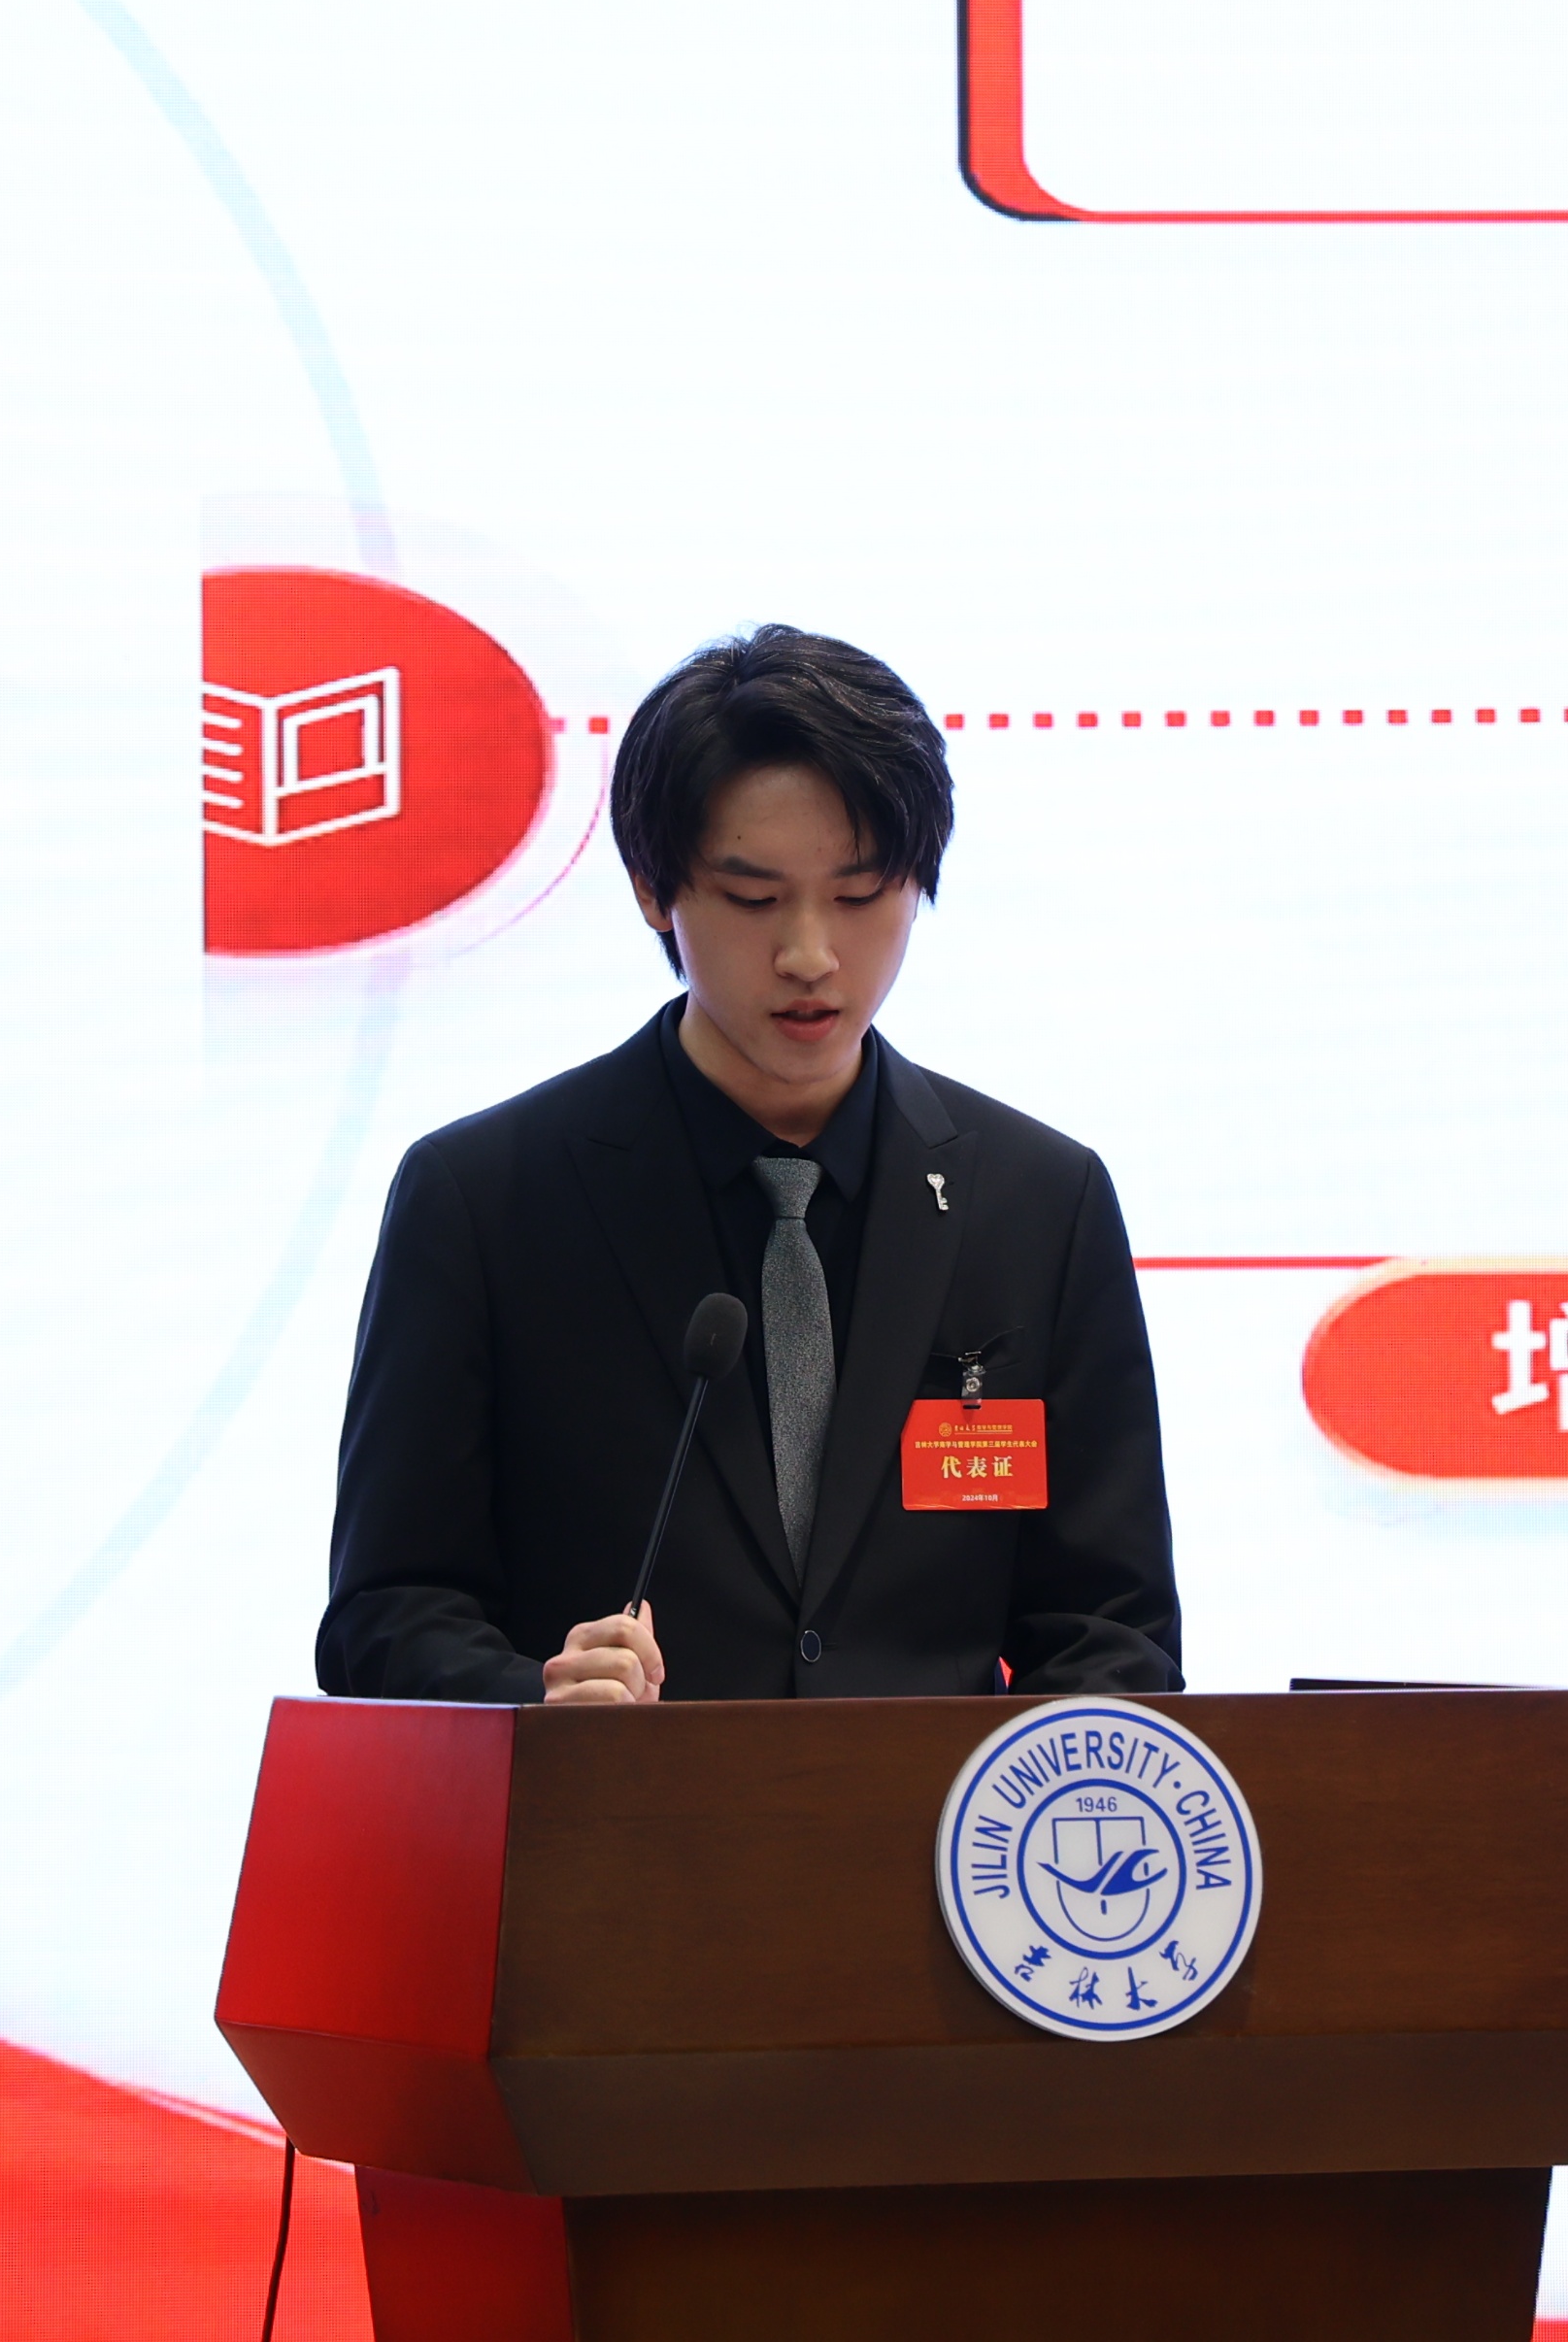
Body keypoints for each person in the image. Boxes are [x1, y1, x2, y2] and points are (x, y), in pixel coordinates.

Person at [315, 625, 1181, 1705]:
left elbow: (1112, 1629)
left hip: (939, 1817)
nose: (811, 955)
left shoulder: (1039, 1204)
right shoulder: (485, 1200)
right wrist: (540, 1699)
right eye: (755, 900)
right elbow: (385, 1616)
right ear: (653, 888)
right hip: (617, 1812)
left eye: (860, 896)